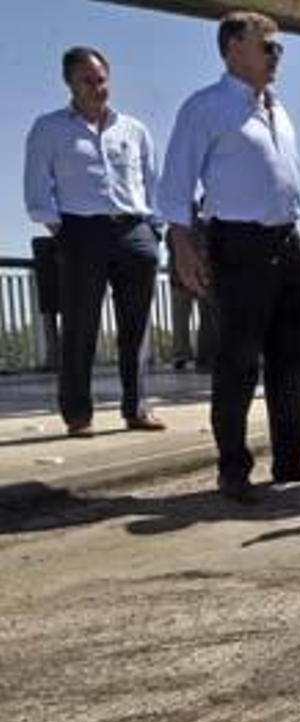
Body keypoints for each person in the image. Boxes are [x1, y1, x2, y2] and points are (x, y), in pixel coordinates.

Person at [159, 11, 300, 501]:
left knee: (292, 358)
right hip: (238, 246)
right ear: (234, 47)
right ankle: (233, 467)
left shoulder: (278, 109)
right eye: (269, 47)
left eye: (279, 48)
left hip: (289, 244)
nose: (277, 55)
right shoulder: (206, 107)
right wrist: (181, 243)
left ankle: (291, 457)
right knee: (238, 360)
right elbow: (175, 183)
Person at [24, 46, 166, 437]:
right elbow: (37, 190)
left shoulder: (134, 129)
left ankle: (136, 408)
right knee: (80, 327)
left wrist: (153, 230)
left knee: (136, 328)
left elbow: (153, 184)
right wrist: (63, 231)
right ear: (69, 82)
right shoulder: (49, 128)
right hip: (80, 232)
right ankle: (78, 414)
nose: (98, 87)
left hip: (135, 233)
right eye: (87, 80)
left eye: (102, 79)